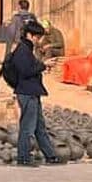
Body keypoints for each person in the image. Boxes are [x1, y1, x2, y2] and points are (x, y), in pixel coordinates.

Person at [9, 20, 61, 167]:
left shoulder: (27, 49)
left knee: (40, 127)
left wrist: (42, 65)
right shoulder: (22, 50)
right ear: (29, 35)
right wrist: (44, 65)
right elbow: (26, 71)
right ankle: (23, 158)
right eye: (37, 37)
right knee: (27, 127)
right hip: (27, 93)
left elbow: (30, 67)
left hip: (32, 92)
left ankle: (51, 156)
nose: (39, 40)